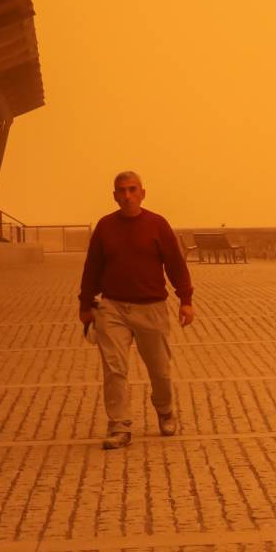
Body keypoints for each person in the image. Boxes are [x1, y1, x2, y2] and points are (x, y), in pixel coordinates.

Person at [79, 171, 194, 450]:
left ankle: (165, 410)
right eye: (121, 190)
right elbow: (92, 267)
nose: (127, 195)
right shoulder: (105, 227)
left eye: (132, 189)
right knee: (115, 370)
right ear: (114, 195)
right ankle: (119, 425)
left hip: (151, 308)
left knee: (160, 370)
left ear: (142, 193)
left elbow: (175, 265)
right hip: (113, 308)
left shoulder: (157, 225)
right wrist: (85, 305)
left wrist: (185, 299)